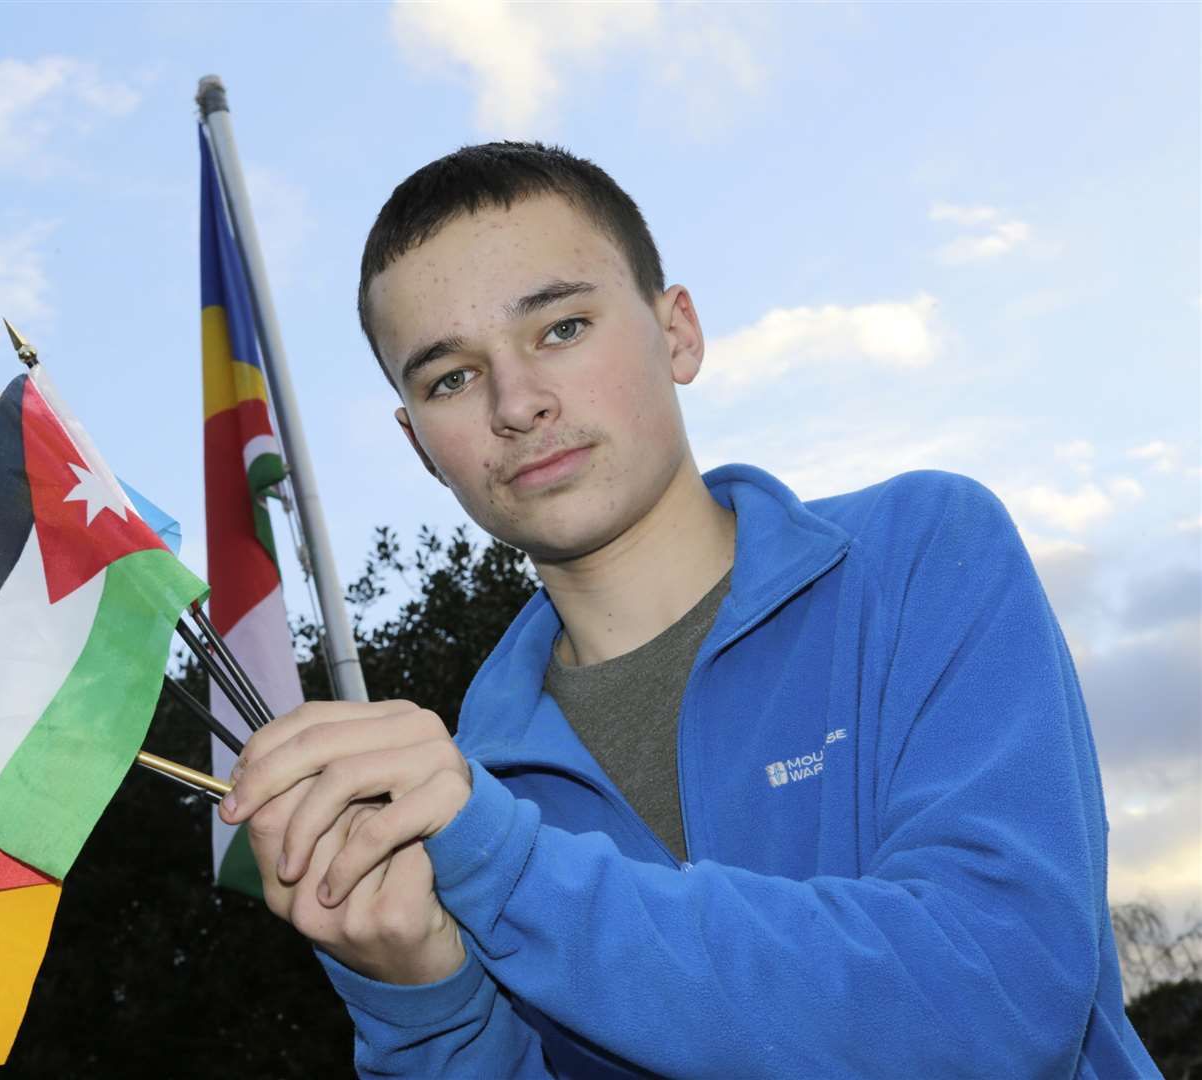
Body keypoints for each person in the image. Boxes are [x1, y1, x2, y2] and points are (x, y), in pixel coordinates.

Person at [218, 142, 1158, 1077]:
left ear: (679, 334)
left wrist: (512, 873)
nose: (517, 401)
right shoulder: (464, 787)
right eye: (450, 378)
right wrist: (424, 1006)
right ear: (420, 444)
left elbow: (997, 1000)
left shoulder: (919, 551)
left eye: (561, 328)